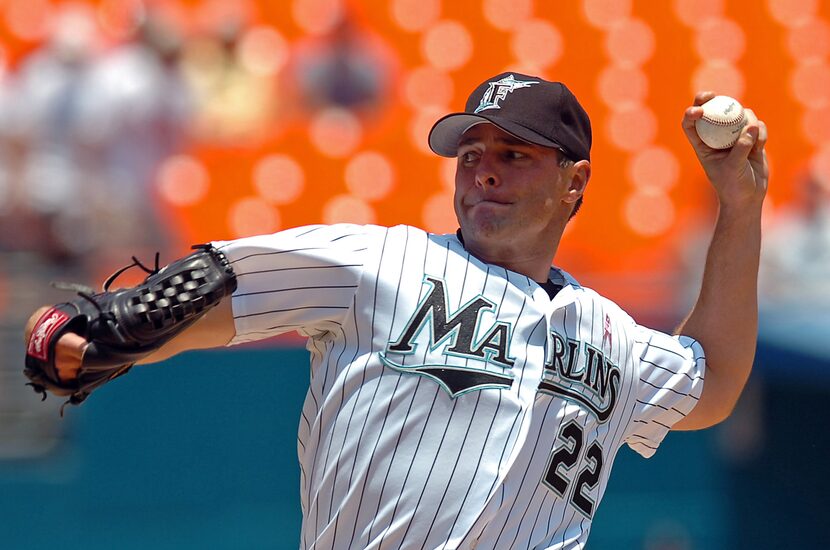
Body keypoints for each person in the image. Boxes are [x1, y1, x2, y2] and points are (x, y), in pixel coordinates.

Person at [24, 72, 768, 549]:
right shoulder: (382, 262)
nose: (484, 168)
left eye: (515, 154)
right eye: (472, 151)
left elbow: (713, 383)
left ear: (575, 184)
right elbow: (225, 288)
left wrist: (740, 204)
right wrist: (109, 332)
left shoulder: (609, 334)